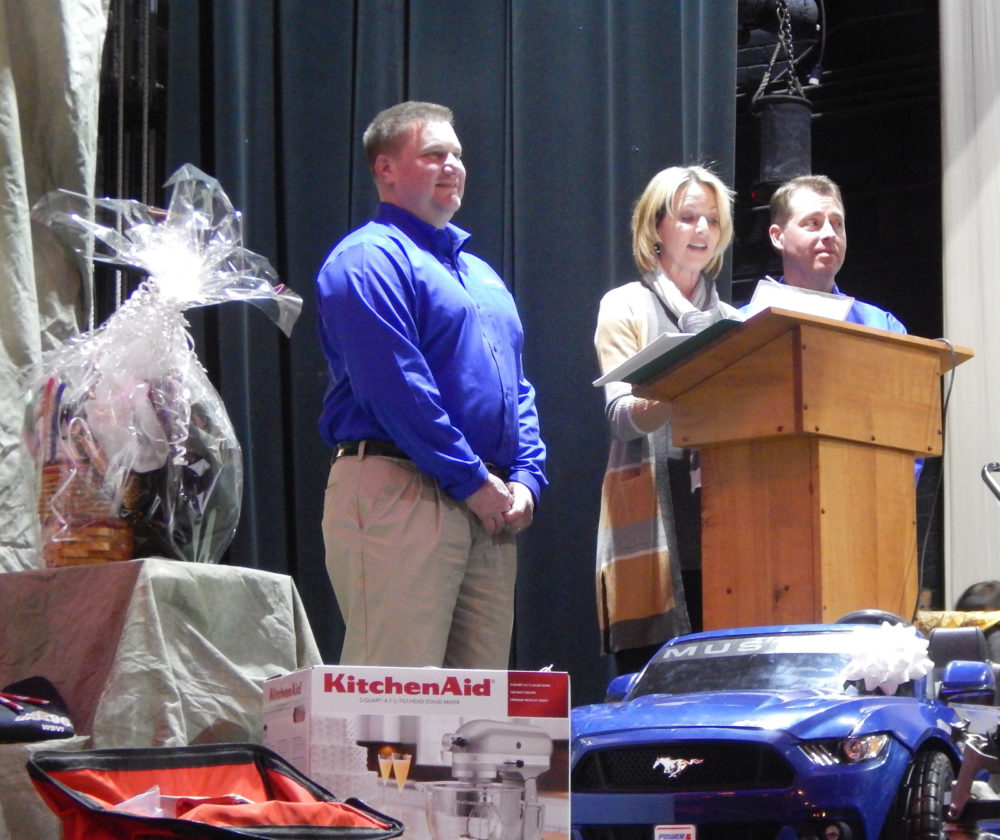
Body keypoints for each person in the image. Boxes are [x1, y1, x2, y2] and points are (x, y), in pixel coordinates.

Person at [315, 101, 547, 668]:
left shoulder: (481, 274)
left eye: (457, 155)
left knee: (478, 705)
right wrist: (473, 479)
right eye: (433, 154)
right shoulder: (367, 259)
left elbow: (517, 387)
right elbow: (397, 388)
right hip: (402, 487)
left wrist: (526, 477)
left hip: (486, 502)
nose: (452, 166)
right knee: (395, 695)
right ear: (385, 168)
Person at [594, 165, 741, 675]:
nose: (703, 230)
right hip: (653, 520)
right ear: (655, 227)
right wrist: (682, 389)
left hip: (724, 520)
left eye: (713, 220)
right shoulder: (625, 305)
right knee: (652, 686)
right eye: (688, 217)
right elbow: (620, 417)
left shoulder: (735, 323)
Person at [764, 174, 907, 332]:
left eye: (837, 224)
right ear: (778, 237)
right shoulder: (747, 324)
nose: (830, 233)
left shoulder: (884, 327)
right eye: (813, 222)